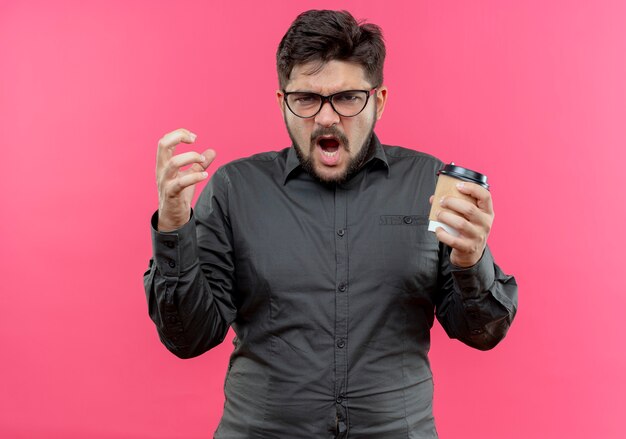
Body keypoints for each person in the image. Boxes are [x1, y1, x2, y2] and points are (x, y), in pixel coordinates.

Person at [144, 9, 518, 438]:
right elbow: (188, 338)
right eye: (305, 98)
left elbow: (481, 332)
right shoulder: (233, 189)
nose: (325, 118)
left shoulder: (428, 185)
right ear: (282, 101)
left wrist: (471, 261)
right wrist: (174, 228)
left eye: (346, 98)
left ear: (378, 100)